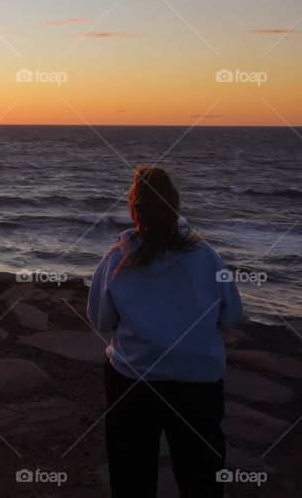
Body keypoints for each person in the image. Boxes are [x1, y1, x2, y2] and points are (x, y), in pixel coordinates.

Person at [88, 165, 242, 498]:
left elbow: (101, 320)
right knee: (201, 477)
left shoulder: (117, 259)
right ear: (175, 205)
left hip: (134, 380)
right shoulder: (206, 257)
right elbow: (231, 315)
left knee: (132, 476)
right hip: (197, 382)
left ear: (134, 209)